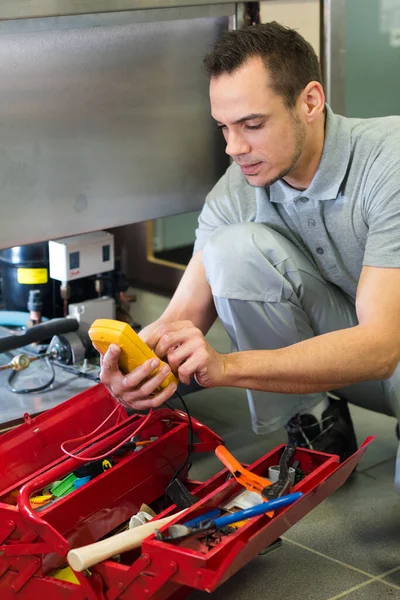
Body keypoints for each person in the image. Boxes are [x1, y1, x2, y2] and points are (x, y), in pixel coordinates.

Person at [99, 22, 400, 479]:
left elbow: (381, 347)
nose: (234, 147)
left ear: (310, 102)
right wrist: (136, 372)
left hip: (385, 348)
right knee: (232, 248)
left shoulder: (389, 163)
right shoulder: (238, 188)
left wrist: (227, 366)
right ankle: (314, 420)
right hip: (359, 363)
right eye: (223, 127)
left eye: (252, 125)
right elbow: (178, 321)